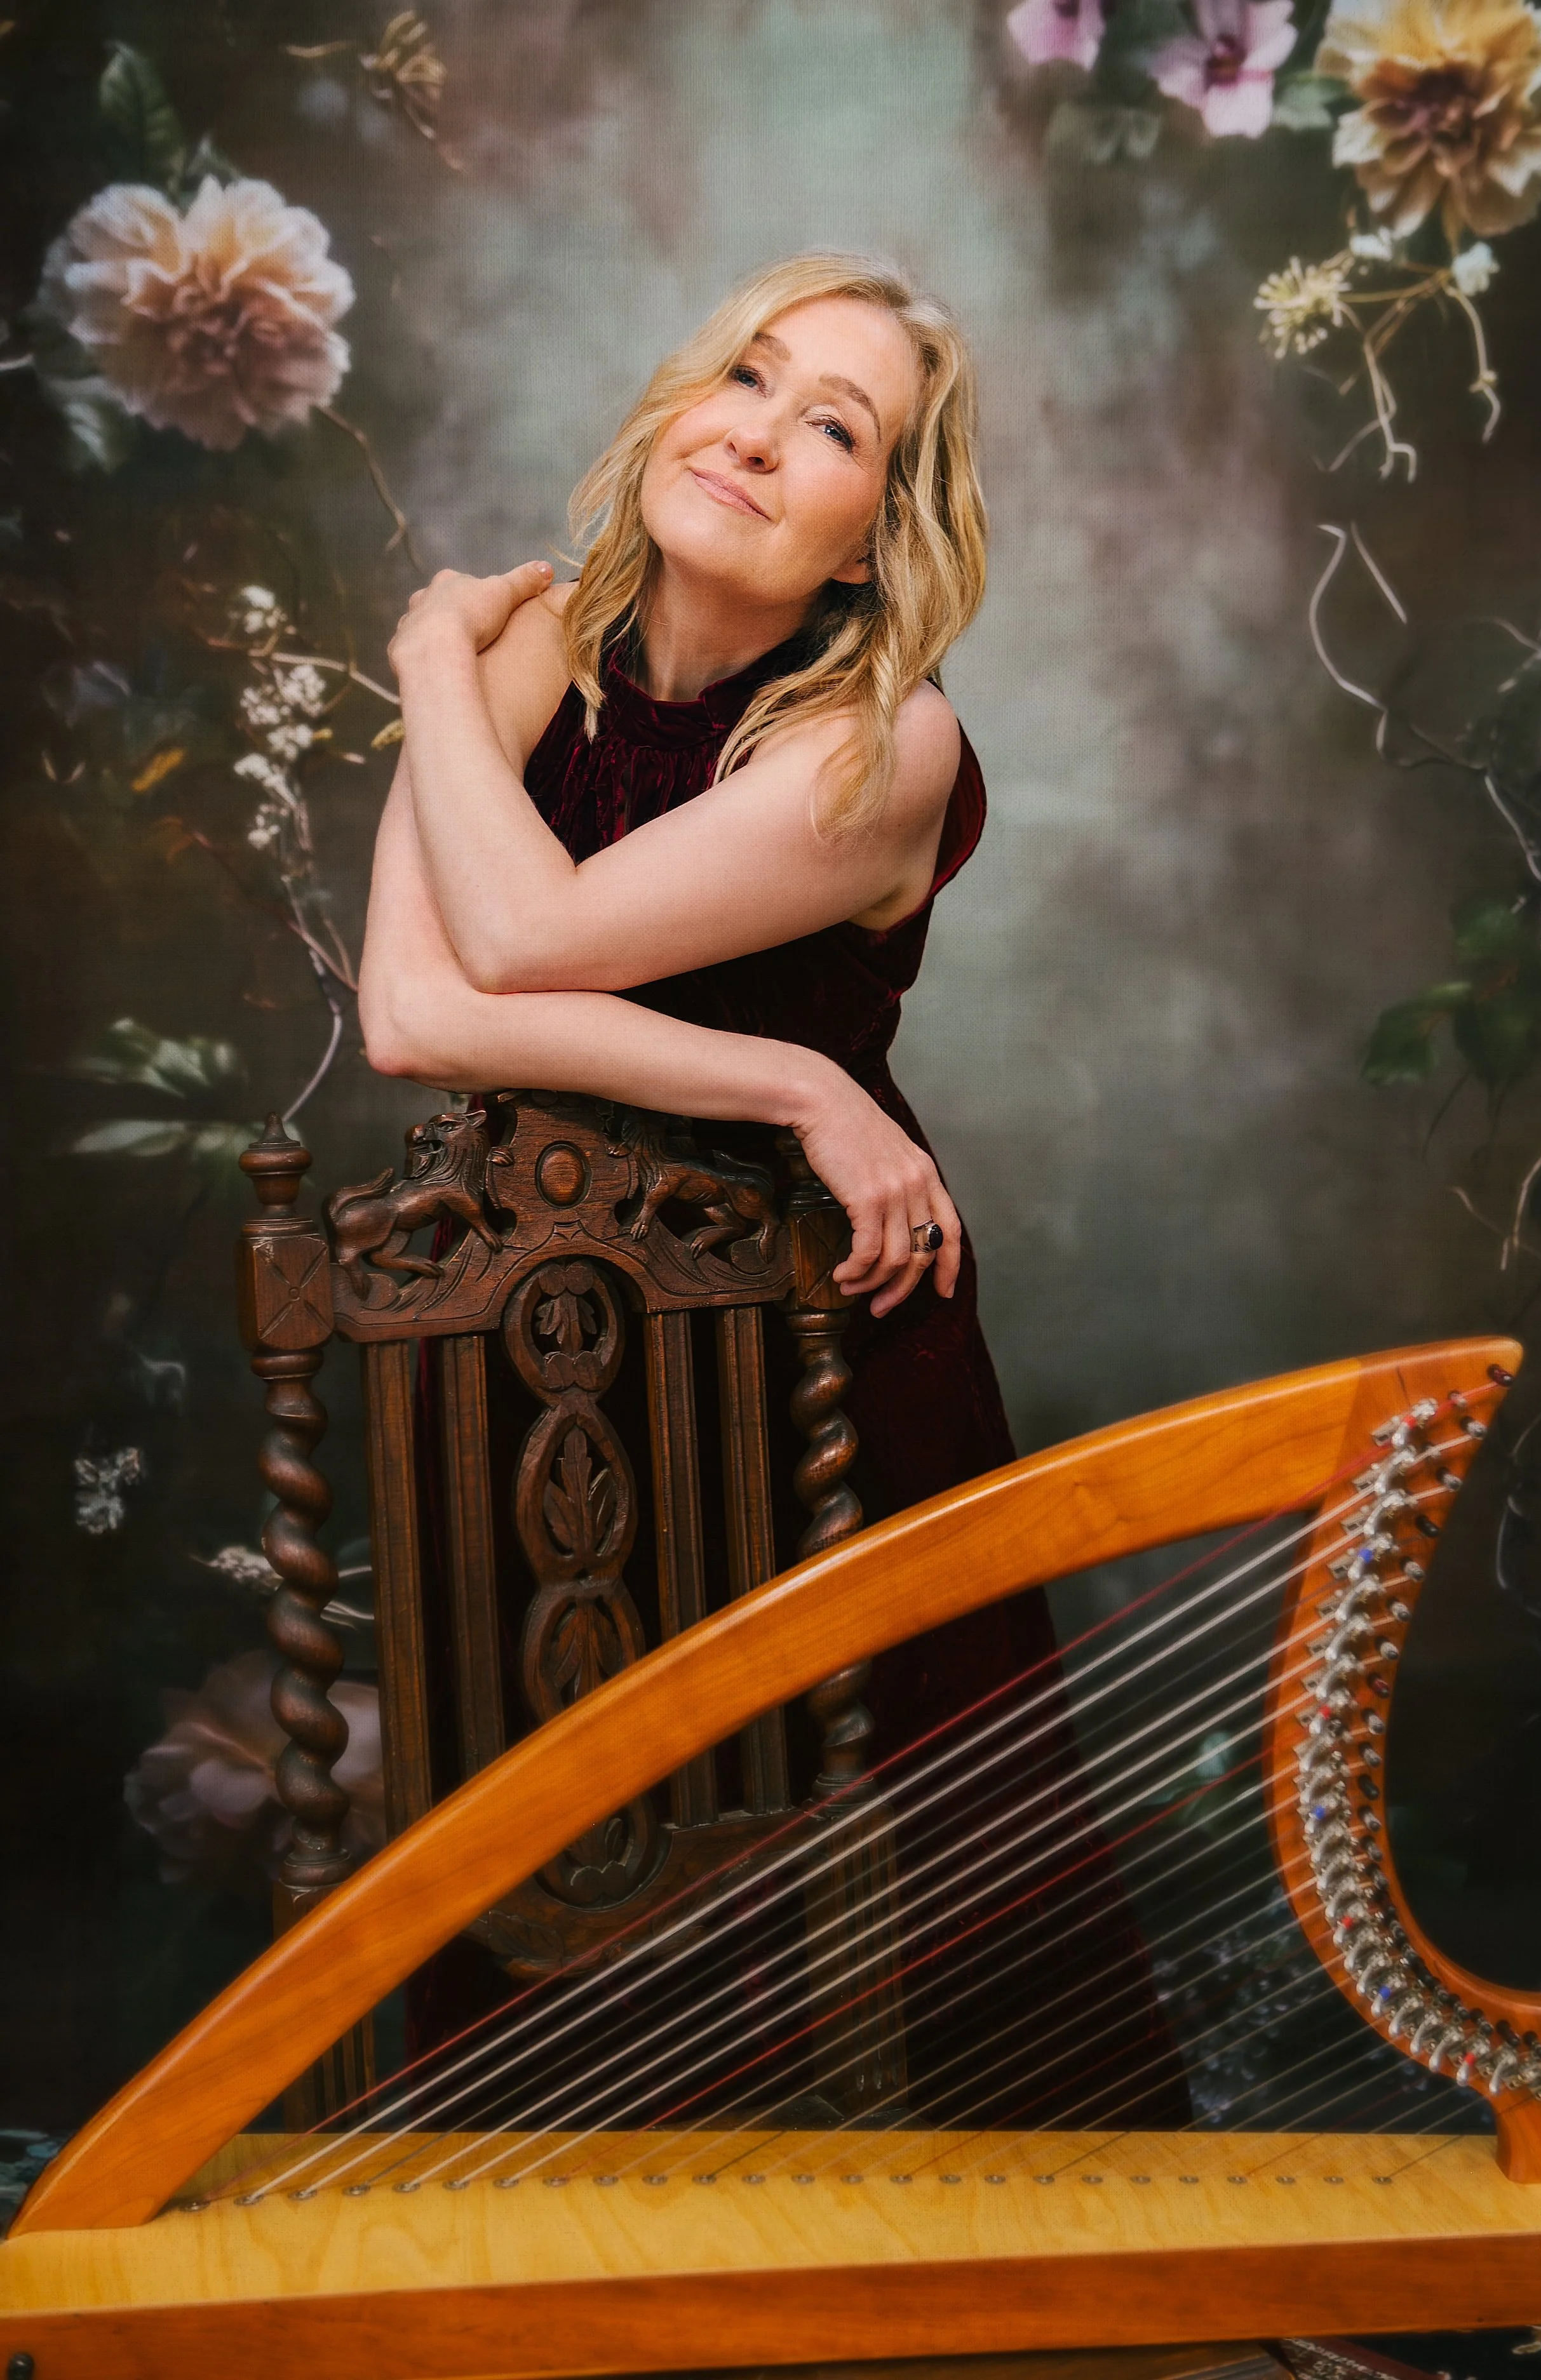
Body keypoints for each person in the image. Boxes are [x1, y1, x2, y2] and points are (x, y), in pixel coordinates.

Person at [358, 252, 1187, 2128]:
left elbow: (522, 935)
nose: (755, 427)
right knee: (559, 1927)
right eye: (749, 372)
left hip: (823, 1355)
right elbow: (415, 1016)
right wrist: (788, 1074)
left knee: (921, 1929)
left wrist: (418, 659)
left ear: (872, 547)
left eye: (835, 426)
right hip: (549, 1349)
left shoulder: (889, 742)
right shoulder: (515, 653)